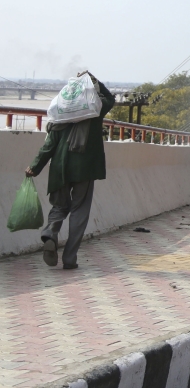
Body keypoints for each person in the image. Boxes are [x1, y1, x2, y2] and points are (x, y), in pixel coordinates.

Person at [25, 71, 115, 270]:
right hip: (84, 169)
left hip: (59, 169)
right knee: (79, 212)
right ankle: (69, 258)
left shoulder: (59, 118)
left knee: (59, 206)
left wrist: (35, 167)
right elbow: (110, 98)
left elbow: (48, 147)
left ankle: (51, 232)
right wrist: (93, 79)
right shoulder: (95, 111)